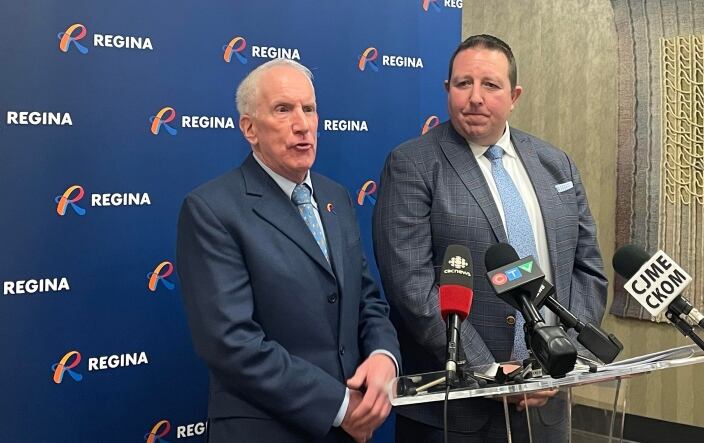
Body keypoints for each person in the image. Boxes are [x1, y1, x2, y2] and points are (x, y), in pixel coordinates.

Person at [372, 34, 607, 442]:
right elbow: (412, 288)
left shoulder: (556, 164)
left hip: (546, 405)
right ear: (448, 90)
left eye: (491, 85)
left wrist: (562, 361)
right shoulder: (412, 164)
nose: (475, 97)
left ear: (514, 95)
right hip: (456, 412)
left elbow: (587, 269)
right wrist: (489, 373)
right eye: (463, 84)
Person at [177, 58, 400, 443]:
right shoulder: (212, 209)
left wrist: (384, 357)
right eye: (283, 109)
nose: (302, 124)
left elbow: (367, 300)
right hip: (267, 430)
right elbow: (231, 343)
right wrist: (339, 406)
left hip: (352, 431)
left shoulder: (336, 197)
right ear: (249, 128)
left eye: (309, 109)